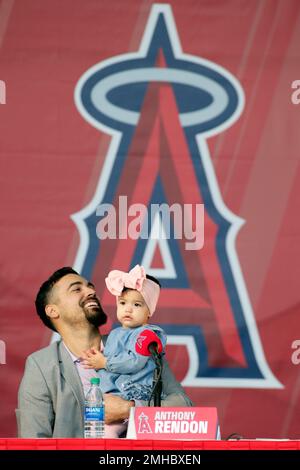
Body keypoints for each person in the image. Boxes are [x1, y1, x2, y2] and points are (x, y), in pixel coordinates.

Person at [16, 267, 193, 438]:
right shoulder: (41, 366)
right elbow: (34, 440)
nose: (91, 291)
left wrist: (130, 409)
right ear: (53, 310)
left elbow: (184, 406)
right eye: (77, 289)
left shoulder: (136, 343)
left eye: (90, 286)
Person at [81, 264, 167, 437]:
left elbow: (134, 362)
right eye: (122, 303)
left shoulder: (148, 334)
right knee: (98, 435)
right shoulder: (115, 334)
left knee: (133, 439)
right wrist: (96, 360)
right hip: (111, 396)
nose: (128, 309)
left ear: (148, 312)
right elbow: (109, 367)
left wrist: (105, 362)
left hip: (134, 397)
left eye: (136, 304)